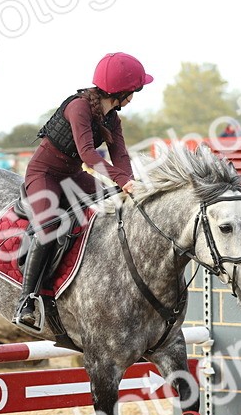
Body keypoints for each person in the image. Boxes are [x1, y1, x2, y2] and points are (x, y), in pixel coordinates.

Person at [12, 51, 153, 332]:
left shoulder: (112, 119)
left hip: (73, 176)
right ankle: (26, 300)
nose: (134, 96)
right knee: (47, 226)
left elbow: (120, 156)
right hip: (45, 175)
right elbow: (88, 154)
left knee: (115, 204)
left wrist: (128, 182)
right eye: (135, 91)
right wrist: (121, 180)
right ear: (122, 91)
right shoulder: (79, 107)